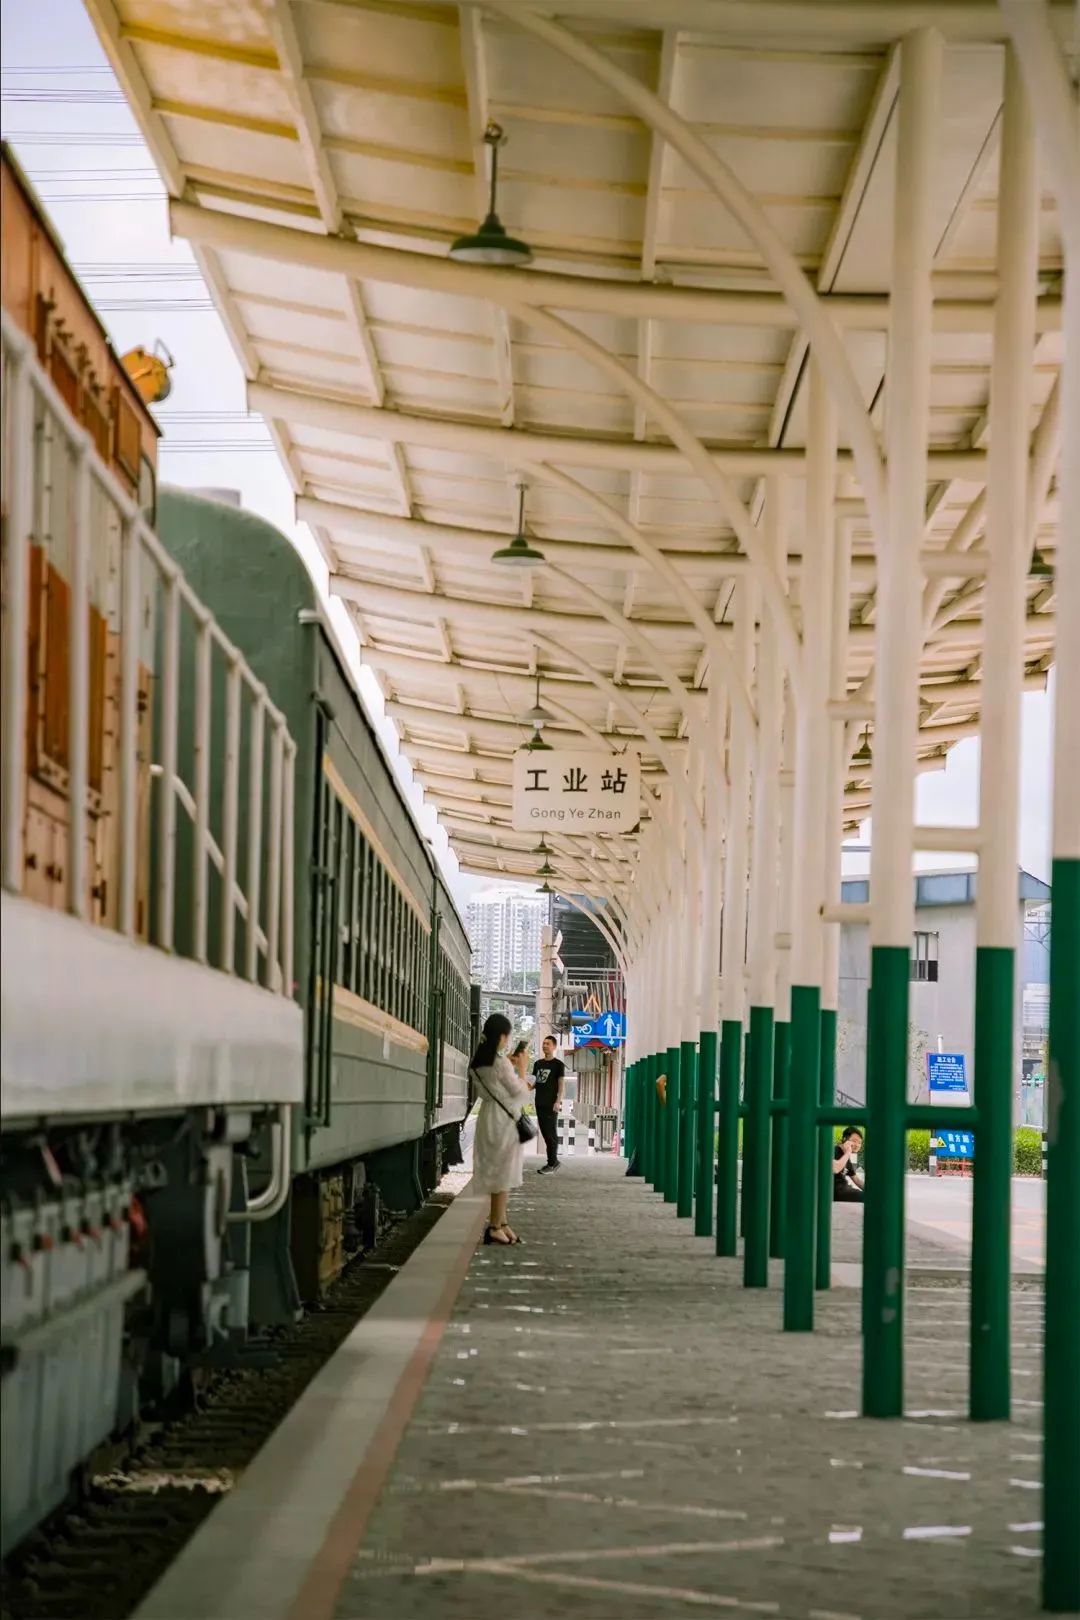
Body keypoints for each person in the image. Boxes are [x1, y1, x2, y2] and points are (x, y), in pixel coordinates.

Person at [470, 1013, 529, 1245]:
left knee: (497, 1173)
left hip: (488, 1118)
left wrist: (510, 1067)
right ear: (502, 1036)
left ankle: (502, 1223)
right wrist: (522, 1069)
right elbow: (520, 1094)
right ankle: (495, 1226)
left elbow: (495, 1085)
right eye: (507, 1036)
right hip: (504, 1123)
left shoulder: (477, 1063)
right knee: (503, 1174)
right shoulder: (501, 1063)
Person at [530, 1035, 565, 1174]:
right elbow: (535, 1082)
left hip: (551, 1104)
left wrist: (558, 1101)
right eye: (544, 1043)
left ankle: (552, 1163)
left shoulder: (558, 1065)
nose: (545, 1046)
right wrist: (527, 1087)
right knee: (545, 1133)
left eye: (548, 1044)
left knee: (550, 1134)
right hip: (539, 1103)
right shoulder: (538, 1064)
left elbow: (561, 1085)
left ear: (554, 1047)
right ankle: (552, 1162)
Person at [834, 1127, 864, 1202]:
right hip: (836, 1192)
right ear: (844, 1140)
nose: (857, 1145)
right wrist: (848, 1152)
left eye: (860, 1142)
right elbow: (835, 1168)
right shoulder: (833, 1151)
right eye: (854, 1141)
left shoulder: (845, 1156)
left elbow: (857, 1180)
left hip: (845, 1190)